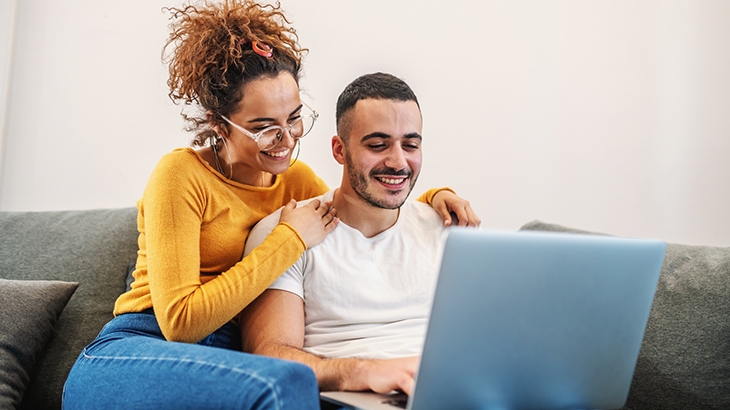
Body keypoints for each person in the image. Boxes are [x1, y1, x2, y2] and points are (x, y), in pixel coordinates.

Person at [62, 1, 479, 409]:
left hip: (227, 355)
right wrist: (289, 239)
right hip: (141, 346)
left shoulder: (291, 179)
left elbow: (355, 201)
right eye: (264, 129)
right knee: (285, 382)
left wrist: (431, 200)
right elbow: (181, 323)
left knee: (286, 380)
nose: (286, 141)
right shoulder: (180, 176)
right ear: (217, 124)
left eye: (294, 120)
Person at [239, 72, 477, 399]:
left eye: (410, 144)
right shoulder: (289, 234)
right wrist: (369, 371)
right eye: (378, 145)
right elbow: (270, 355)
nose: (398, 162)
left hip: (447, 392)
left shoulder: (445, 226)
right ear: (339, 150)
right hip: (353, 396)